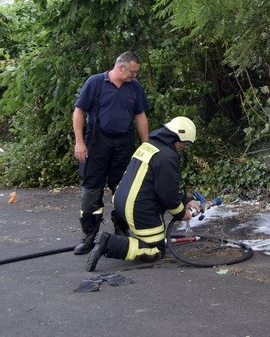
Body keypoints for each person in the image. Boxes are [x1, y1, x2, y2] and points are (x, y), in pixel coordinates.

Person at [86, 116, 200, 272]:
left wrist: (186, 200)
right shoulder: (167, 156)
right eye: (185, 143)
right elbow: (166, 194)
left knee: (149, 238)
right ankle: (109, 244)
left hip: (121, 201)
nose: (183, 147)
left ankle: (121, 236)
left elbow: (159, 184)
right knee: (156, 250)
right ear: (178, 138)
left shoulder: (149, 145)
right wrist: (182, 213)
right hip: (139, 208)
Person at [71, 52, 151, 254]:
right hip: (96, 143)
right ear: (121, 67)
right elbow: (79, 111)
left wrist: (146, 146)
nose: (135, 75)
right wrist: (79, 142)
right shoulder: (96, 83)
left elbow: (140, 116)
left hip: (123, 144)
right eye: (132, 71)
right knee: (91, 190)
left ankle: (121, 233)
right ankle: (89, 237)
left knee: (123, 190)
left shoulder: (134, 88)